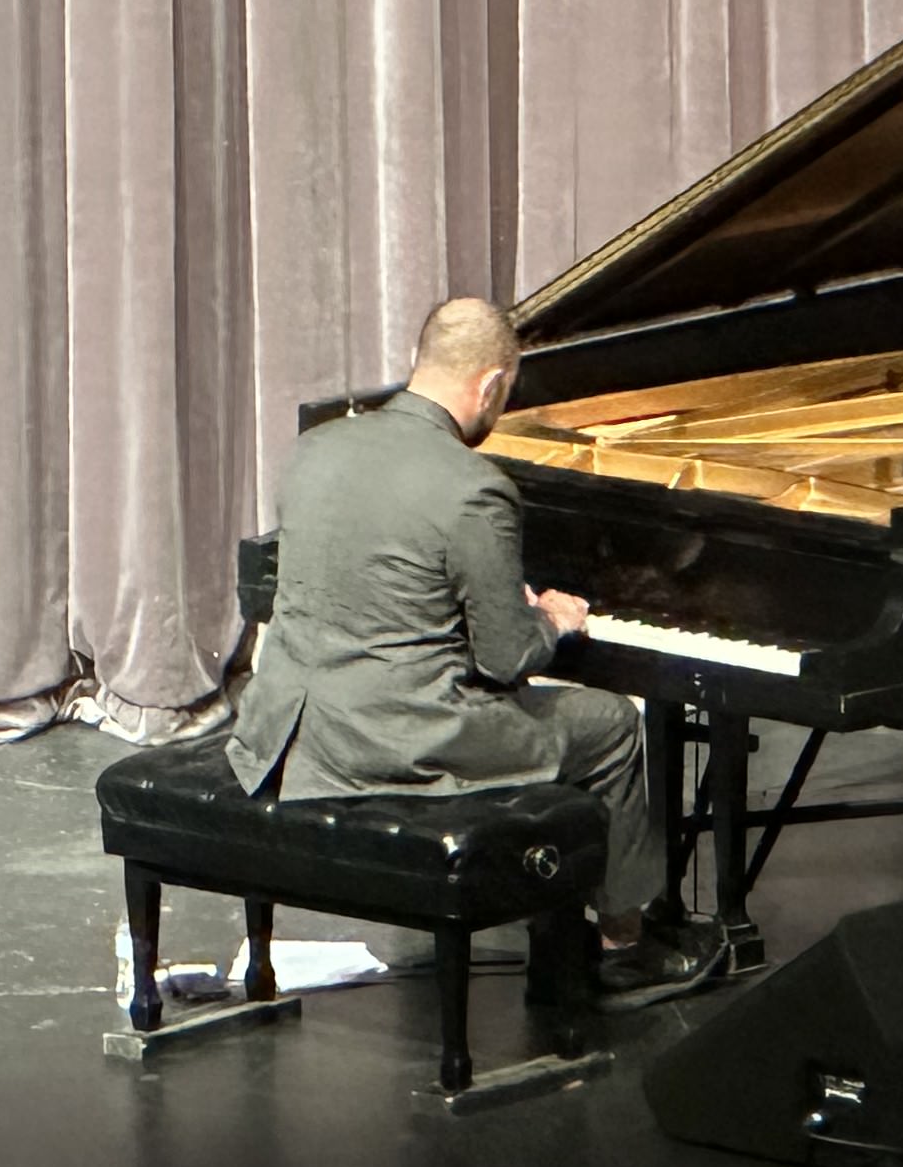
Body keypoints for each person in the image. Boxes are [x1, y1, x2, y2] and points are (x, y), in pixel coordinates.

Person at [229, 296, 711, 990]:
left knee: (531, 708)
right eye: (505, 395)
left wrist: (473, 600)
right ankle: (622, 941)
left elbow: (376, 584)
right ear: (490, 386)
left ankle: (556, 907)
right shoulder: (474, 487)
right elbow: (505, 658)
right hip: (396, 738)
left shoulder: (317, 447)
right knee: (609, 723)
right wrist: (551, 618)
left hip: (286, 727)